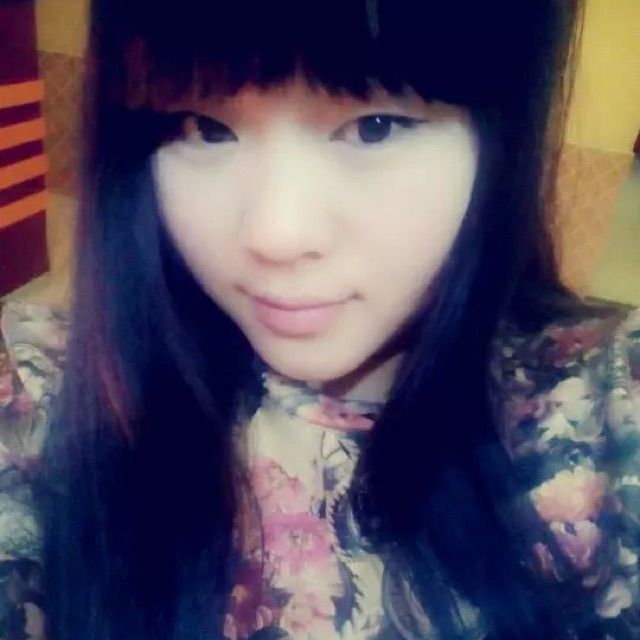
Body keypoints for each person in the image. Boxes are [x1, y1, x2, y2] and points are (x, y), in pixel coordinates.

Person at [0, 0, 639, 638]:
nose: (276, 235)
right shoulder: (41, 393)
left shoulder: (603, 411)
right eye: (206, 128)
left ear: (500, 136)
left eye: (375, 127)